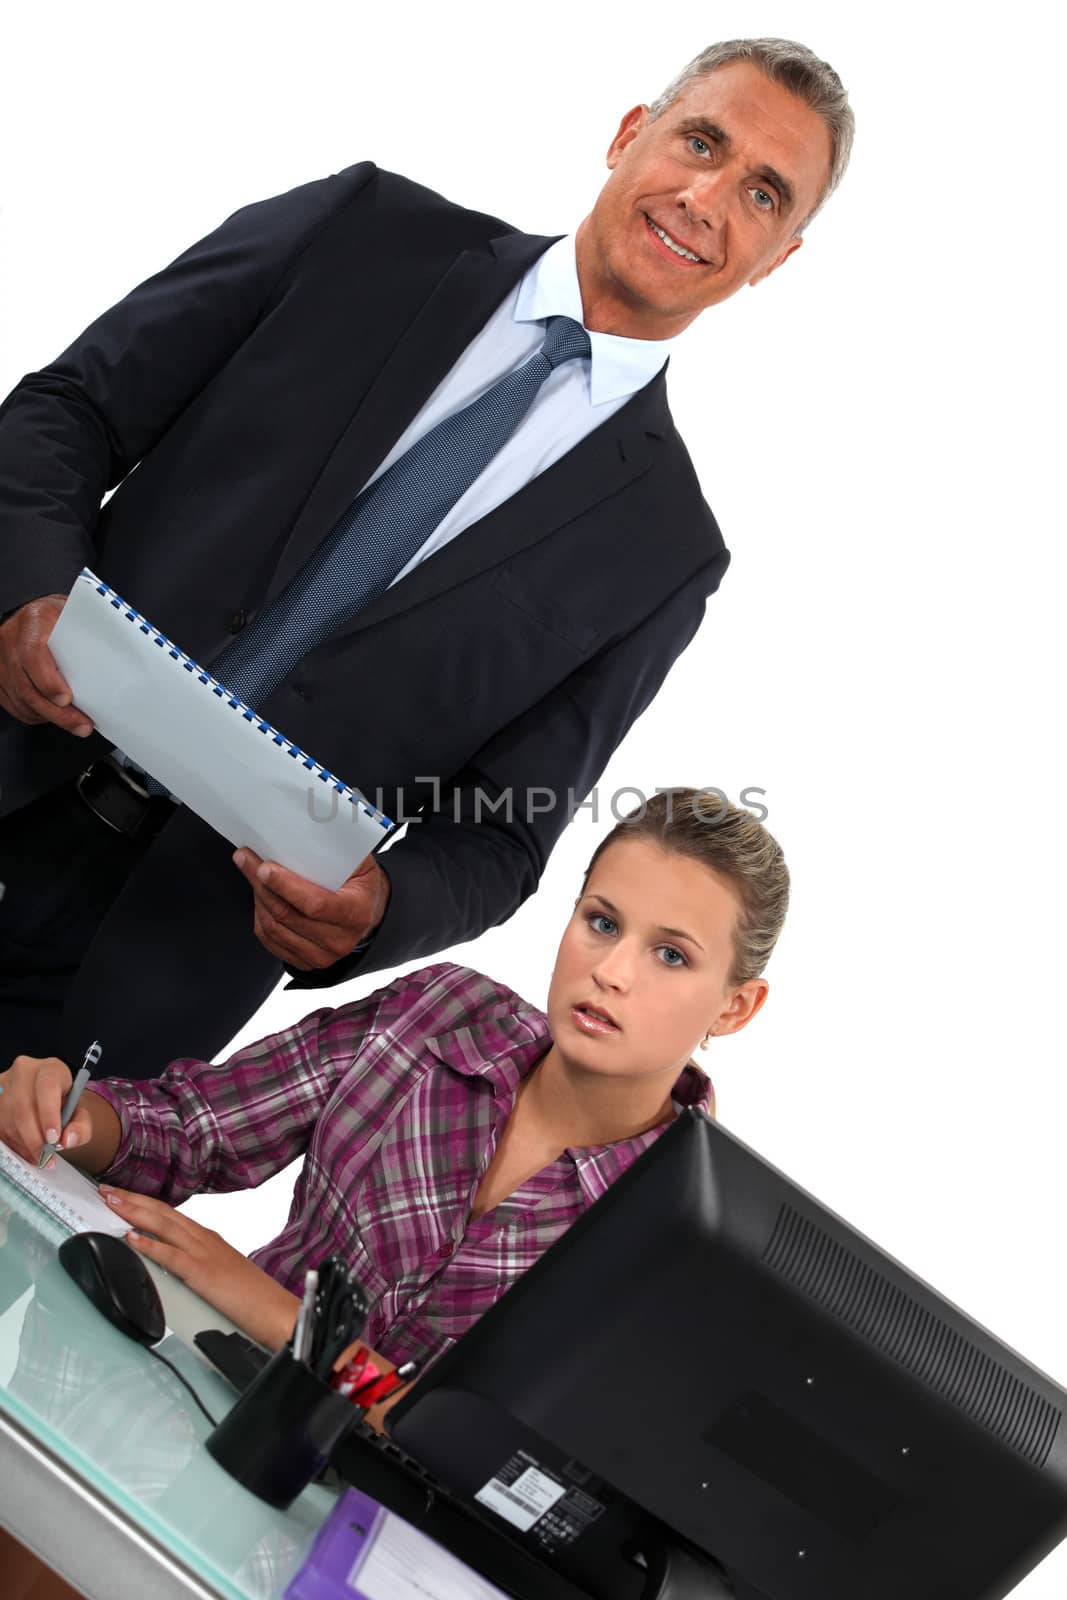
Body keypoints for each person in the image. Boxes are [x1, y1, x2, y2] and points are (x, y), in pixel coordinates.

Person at [0, 39, 847, 1078]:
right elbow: (68, 411)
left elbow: (505, 834)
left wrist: (378, 909)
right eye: (699, 142)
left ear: (778, 256)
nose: (706, 197)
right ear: (631, 134)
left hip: (140, 974)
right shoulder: (362, 230)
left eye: (762, 193)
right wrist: (29, 588)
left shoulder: (666, 552)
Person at [0, 789, 789, 1408]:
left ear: (734, 1007)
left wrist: (287, 1325)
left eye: (669, 955)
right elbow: (198, 1129)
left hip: (355, 1546)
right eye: (601, 921)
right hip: (176, 1388)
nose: (612, 970)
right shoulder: (438, 1014)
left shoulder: (685, 1234)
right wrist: (73, 1116)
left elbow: (502, 1469)